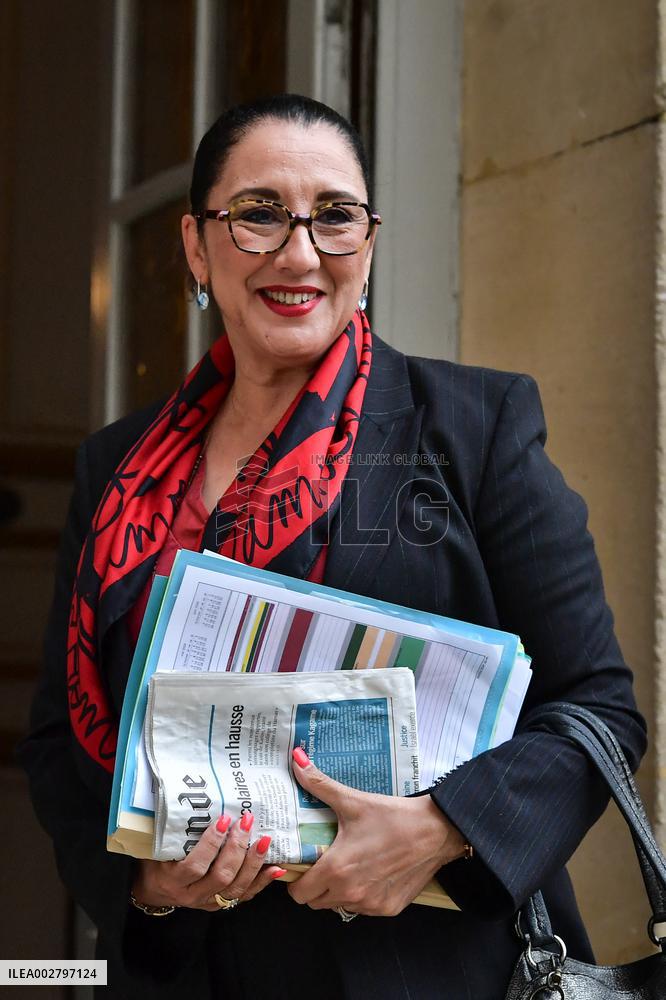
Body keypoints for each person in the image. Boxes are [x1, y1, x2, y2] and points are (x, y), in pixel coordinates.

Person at [18, 93, 646, 999]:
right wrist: (144, 886)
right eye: (259, 214)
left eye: (335, 217)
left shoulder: (474, 428)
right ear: (197, 246)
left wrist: (442, 827)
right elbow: (55, 742)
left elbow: (598, 709)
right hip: (196, 973)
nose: (300, 253)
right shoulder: (117, 467)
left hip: (424, 974)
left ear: (369, 242)